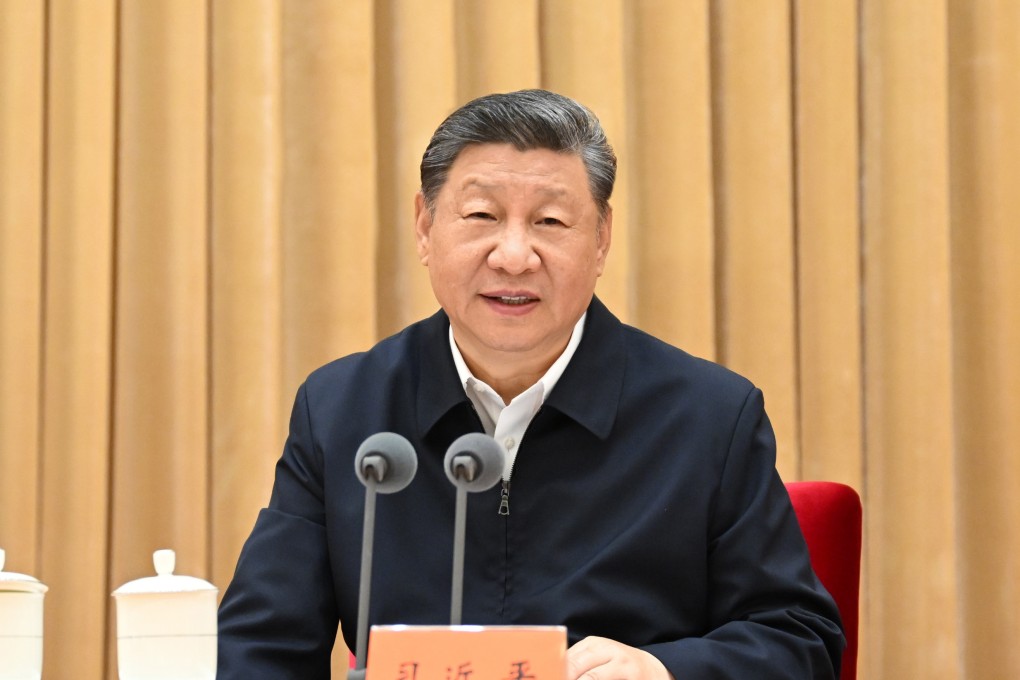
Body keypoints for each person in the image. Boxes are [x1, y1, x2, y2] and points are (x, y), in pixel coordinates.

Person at [217, 89, 844, 679]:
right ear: (424, 227)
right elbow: (259, 646)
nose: (514, 255)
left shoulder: (709, 416)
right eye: (482, 215)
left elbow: (798, 639)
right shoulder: (343, 408)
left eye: (549, 222)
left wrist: (664, 669)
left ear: (601, 240)